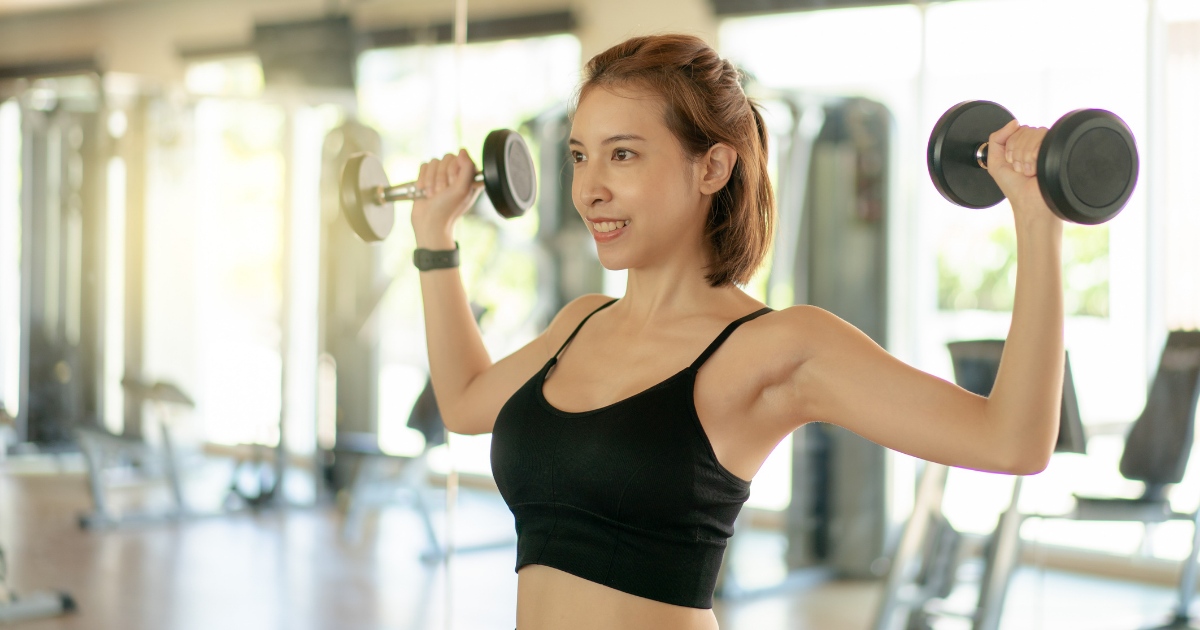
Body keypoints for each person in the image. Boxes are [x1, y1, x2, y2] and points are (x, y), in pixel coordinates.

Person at [409, 34, 1062, 630]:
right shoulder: (579, 323)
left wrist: (1038, 218)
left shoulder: (777, 348)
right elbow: (465, 402)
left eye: (623, 155)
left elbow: (1013, 441)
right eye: (580, 156)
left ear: (713, 169)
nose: (590, 190)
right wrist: (435, 241)